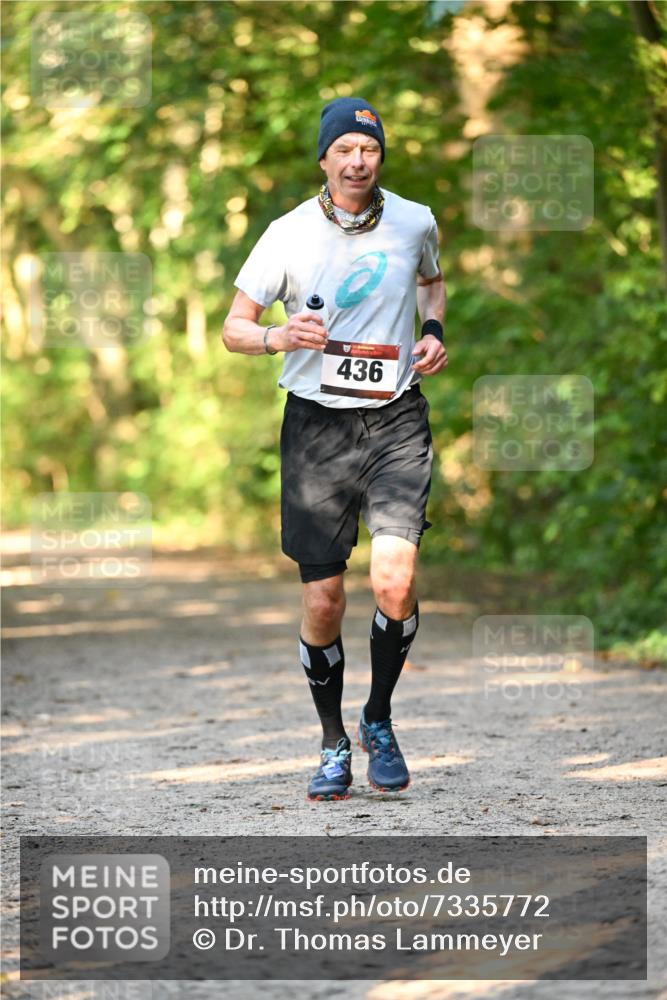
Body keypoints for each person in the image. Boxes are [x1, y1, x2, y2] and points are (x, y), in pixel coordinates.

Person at [222, 96, 447, 801]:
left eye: (369, 150)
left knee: (394, 580)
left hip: (395, 417)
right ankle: (331, 742)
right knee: (322, 601)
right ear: (323, 159)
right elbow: (234, 327)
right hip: (316, 427)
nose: (357, 161)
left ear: (380, 158)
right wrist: (277, 338)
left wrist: (435, 329)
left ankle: (377, 717)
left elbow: (431, 281)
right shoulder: (287, 234)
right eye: (344, 149)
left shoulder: (414, 220)